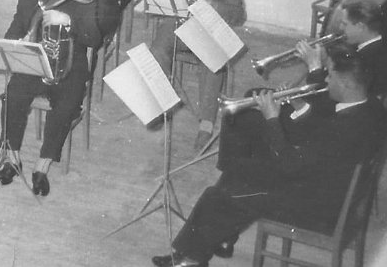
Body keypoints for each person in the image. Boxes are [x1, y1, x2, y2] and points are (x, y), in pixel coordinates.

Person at [151, 43, 386, 267]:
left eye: (330, 76)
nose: (325, 80)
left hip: (316, 207)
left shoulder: (343, 128)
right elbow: (318, 138)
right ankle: (216, 240)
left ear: (346, 84)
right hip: (327, 187)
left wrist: (272, 119)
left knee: (217, 195)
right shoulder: (371, 109)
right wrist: (299, 106)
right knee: (239, 171)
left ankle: (191, 258)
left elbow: (290, 164)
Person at [0, 0, 104, 197]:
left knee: (65, 108)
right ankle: (12, 159)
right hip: (35, 66)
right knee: (12, 97)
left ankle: (42, 167)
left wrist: (68, 22)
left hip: (69, 69)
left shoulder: (81, 1)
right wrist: (19, 41)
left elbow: (94, 39)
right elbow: (12, 34)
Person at [148, 0, 245, 148]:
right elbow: (164, 0)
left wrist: (214, 5)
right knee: (157, 50)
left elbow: (239, 15)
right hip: (178, 24)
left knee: (212, 60)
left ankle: (206, 123)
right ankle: (163, 103)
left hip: (207, 28)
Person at [298, 0, 386, 99]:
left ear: (360, 27)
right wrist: (326, 61)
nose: (341, 27)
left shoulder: (369, 59)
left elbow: (327, 96)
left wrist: (314, 67)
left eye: (345, 24)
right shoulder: (365, 46)